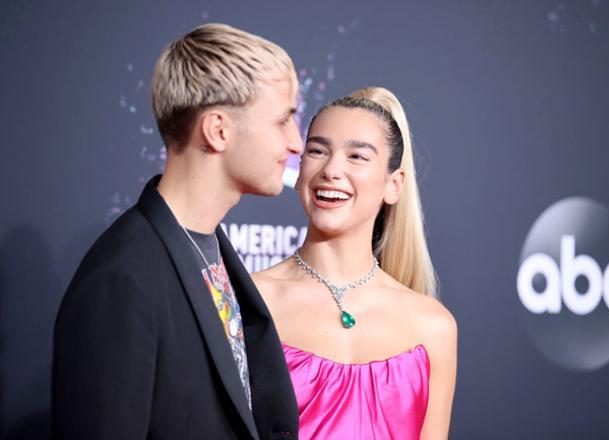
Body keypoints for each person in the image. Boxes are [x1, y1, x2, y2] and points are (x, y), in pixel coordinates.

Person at [52, 23, 302, 439]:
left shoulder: (211, 249)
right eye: (283, 120)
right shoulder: (122, 281)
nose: (296, 142)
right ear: (218, 130)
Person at [253, 87, 457, 439]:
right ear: (299, 171)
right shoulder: (249, 302)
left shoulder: (432, 327)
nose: (331, 169)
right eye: (317, 151)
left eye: (357, 156)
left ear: (393, 186)